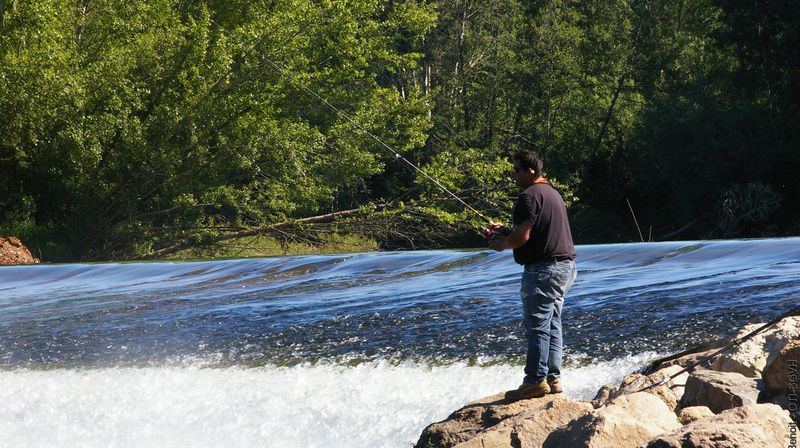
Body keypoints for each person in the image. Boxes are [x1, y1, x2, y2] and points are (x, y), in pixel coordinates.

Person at [487, 150, 577, 401]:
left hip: (543, 270)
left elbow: (521, 238)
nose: (513, 174)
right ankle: (553, 378)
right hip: (565, 267)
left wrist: (501, 243)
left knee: (537, 327)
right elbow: (538, 232)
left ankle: (535, 382)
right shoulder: (552, 193)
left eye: (516, 170)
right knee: (552, 324)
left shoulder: (528, 196)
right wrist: (506, 230)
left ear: (529, 171)